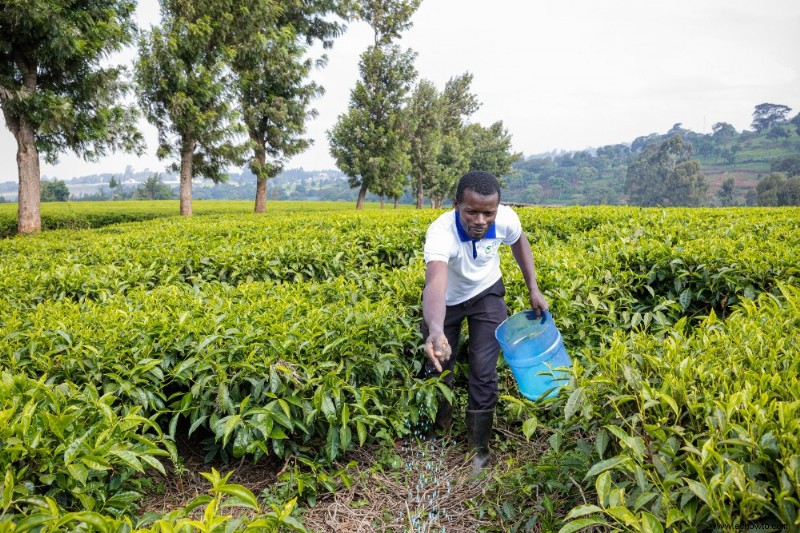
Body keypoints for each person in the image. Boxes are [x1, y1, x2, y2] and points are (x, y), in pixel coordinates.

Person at [421, 170, 548, 473]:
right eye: (471, 212)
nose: (480, 220)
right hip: (447, 301)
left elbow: (520, 243)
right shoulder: (440, 232)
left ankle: (478, 449)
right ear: (456, 206)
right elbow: (435, 283)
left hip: (486, 293)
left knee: (483, 367)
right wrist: (436, 330)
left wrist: (533, 287)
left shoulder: (505, 219)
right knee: (438, 365)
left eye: (487, 213)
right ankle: (439, 430)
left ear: (497, 208)